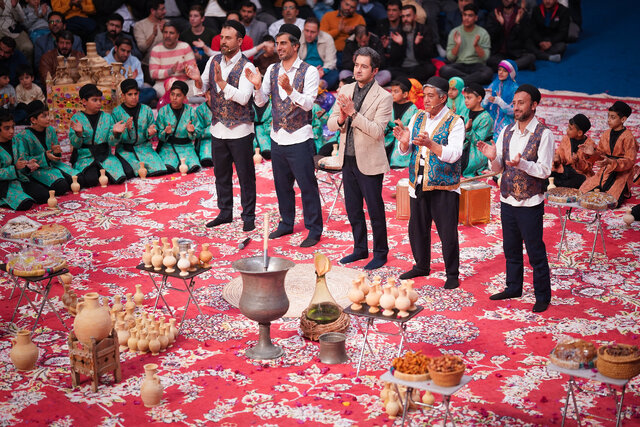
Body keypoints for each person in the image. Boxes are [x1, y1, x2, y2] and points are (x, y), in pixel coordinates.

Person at [479, 84, 553, 313]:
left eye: (521, 103)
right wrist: (493, 159)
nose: (516, 107)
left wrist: (522, 164)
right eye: (514, 103)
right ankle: (513, 287)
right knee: (510, 248)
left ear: (534, 105)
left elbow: (544, 171)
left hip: (530, 203)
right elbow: (499, 168)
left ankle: (542, 295)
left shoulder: (544, 134)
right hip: (508, 200)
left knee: (535, 251)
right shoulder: (506, 131)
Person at [247, 23, 323, 248]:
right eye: (277, 43)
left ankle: (314, 229)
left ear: (296, 45)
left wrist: (290, 90)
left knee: (307, 186)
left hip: (300, 137)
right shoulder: (272, 69)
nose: (278, 48)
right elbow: (261, 102)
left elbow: (309, 105)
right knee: (282, 185)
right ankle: (286, 222)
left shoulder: (309, 71)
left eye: (283, 43)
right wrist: (256, 87)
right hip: (278, 136)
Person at [392, 76, 464, 289]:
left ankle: (452, 273)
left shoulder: (455, 121)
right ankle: (421, 265)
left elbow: (455, 154)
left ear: (443, 98)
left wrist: (431, 144)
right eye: (425, 96)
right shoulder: (417, 117)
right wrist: (404, 143)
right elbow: (406, 150)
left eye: (431, 96)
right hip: (419, 181)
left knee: (447, 232)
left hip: (444, 185)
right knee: (417, 228)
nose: (427, 101)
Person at [327, 47, 391, 269]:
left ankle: (381, 252)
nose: (358, 70)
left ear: (375, 71)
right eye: (356, 65)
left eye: (364, 66)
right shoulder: (346, 89)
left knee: (375, 209)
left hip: (370, 161)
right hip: (348, 158)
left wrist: (353, 113)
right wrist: (342, 118)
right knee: (353, 209)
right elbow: (331, 122)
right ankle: (359, 248)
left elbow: (377, 131)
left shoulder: (384, 97)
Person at [194, 20, 257, 232]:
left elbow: (243, 97)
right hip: (218, 127)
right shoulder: (213, 60)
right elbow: (202, 86)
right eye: (222, 37)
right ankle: (225, 212)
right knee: (221, 174)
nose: (223, 41)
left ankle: (248, 215)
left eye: (228, 38)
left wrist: (222, 84)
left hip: (240, 129)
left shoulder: (247, 66)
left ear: (240, 41)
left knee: (245, 175)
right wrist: (196, 80)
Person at [579, 101, 637, 207]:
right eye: (608, 116)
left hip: (621, 173)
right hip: (605, 171)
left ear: (623, 119)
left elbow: (630, 161)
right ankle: (600, 188)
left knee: (611, 201)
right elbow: (601, 154)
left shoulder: (629, 138)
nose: (609, 120)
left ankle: (619, 191)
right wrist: (592, 153)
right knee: (582, 192)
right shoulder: (606, 134)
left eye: (613, 117)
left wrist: (611, 161)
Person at [70, 84, 127, 188]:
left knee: (119, 178)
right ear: (84, 101)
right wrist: (78, 134)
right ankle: (94, 169)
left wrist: (115, 133)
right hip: (86, 157)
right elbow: (75, 144)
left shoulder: (106, 117)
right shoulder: (77, 118)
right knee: (90, 181)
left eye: (100, 100)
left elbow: (112, 142)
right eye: (94, 100)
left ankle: (101, 168)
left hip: (105, 155)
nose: (99, 103)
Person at [13, 100, 72, 195]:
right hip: (36, 171)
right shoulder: (22, 137)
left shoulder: (51, 130)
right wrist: (45, 157)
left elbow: (56, 156)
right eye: (44, 116)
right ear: (33, 120)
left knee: (79, 180)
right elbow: (24, 162)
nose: (48, 118)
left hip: (53, 166)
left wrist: (56, 153)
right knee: (62, 186)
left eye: (48, 115)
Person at [111, 79, 167, 178]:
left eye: (136, 94)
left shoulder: (147, 110)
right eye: (130, 94)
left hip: (144, 148)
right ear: (123, 96)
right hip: (125, 151)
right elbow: (113, 140)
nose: (134, 97)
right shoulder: (116, 112)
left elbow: (153, 130)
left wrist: (150, 133)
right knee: (129, 173)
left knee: (159, 170)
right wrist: (123, 131)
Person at [0, 112, 47, 210]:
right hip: (3, 185)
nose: (12, 131)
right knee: (25, 204)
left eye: (13, 127)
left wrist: (29, 163)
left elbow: (23, 158)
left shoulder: (16, 141)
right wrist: (14, 168)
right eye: (7, 128)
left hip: (20, 179)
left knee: (44, 195)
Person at [440, 4, 493, 85]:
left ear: (476, 18)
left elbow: (485, 58)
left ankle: (460, 82)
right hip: (460, 65)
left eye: (470, 15)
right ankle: (471, 80)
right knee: (444, 69)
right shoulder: (455, 32)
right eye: (464, 15)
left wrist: (476, 46)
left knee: (488, 72)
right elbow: (450, 58)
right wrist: (457, 45)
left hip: (477, 65)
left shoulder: (483, 33)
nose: (466, 18)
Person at [155, 80, 200, 174]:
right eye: (172, 94)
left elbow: (197, 133)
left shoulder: (191, 111)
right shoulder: (163, 111)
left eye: (178, 95)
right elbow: (158, 133)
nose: (174, 98)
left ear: (184, 97)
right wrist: (165, 133)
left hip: (186, 146)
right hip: (168, 147)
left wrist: (191, 132)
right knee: (168, 167)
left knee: (193, 167)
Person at [387, 4, 437, 84]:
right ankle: (413, 81)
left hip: (419, 66)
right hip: (403, 68)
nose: (405, 19)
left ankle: (406, 81)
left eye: (408, 16)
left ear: (415, 16)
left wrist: (418, 44)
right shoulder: (398, 31)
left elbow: (429, 54)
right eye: (403, 16)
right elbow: (393, 58)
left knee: (430, 68)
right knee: (389, 71)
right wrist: (400, 44)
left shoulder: (424, 30)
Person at [149, 22, 199, 99]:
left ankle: (180, 99)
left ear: (177, 35)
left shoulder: (185, 47)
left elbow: (193, 70)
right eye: (165, 32)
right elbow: (153, 73)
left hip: (183, 83)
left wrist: (185, 70)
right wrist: (170, 71)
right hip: (163, 84)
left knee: (196, 87)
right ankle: (183, 99)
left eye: (171, 33)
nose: (167, 36)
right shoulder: (156, 50)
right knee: (156, 90)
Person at [485, 0, 535, 71]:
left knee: (531, 57)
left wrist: (517, 24)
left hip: (516, 53)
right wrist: (500, 25)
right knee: (489, 60)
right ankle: (514, 67)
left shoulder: (521, 13)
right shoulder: (495, 13)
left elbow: (525, 37)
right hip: (499, 53)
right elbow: (490, 36)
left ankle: (505, 67)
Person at [105, 37, 157, 106]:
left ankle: (125, 105)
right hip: (113, 94)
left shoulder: (135, 61)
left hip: (131, 94)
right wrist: (130, 80)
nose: (126, 54)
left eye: (128, 51)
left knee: (151, 92)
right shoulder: (105, 62)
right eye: (123, 50)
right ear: (116, 48)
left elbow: (140, 83)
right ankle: (128, 105)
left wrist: (132, 82)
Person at [550, 113, 594, 188]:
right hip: (565, 170)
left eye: (570, 129)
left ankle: (560, 186)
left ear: (579, 133)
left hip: (578, 174)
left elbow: (587, 168)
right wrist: (557, 159)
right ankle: (559, 185)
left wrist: (578, 161)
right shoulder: (566, 139)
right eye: (568, 127)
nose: (567, 130)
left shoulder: (590, 145)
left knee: (581, 181)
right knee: (548, 173)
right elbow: (560, 155)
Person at [461, 82, 493, 177]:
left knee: (459, 166)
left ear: (479, 99)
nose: (466, 101)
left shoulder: (486, 118)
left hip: (477, 151)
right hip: (464, 145)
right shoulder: (465, 111)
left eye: (469, 98)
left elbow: (479, 142)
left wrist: (469, 130)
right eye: (465, 98)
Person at [385, 78, 418, 168]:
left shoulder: (413, 109)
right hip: (389, 137)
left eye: (396, 91)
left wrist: (403, 127)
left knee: (398, 154)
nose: (392, 94)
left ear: (405, 94)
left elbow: (415, 128)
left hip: (403, 138)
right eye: (391, 91)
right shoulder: (389, 105)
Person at [299, 17, 338, 90]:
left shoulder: (327, 38)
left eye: (312, 32)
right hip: (304, 70)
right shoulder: (298, 37)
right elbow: (295, 60)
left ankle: (312, 88)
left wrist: (322, 71)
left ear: (318, 32)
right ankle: (317, 88)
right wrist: (309, 71)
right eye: (306, 31)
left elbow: (331, 61)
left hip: (322, 71)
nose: (309, 34)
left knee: (334, 75)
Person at [482, 59, 517, 136]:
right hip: (492, 119)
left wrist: (499, 102)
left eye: (504, 71)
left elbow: (514, 112)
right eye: (499, 70)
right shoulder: (494, 85)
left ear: (511, 73)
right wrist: (486, 97)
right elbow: (482, 107)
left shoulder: (515, 89)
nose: (500, 73)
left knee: (501, 138)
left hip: (506, 121)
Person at [180, 5, 217, 73]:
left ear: (202, 18)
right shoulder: (184, 35)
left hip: (209, 68)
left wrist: (201, 57)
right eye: (190, 16)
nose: (192, 19)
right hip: (190, 69)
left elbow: (216, 55)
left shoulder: (212, 34)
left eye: (196, 16)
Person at [133, 0, 166, 64]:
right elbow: (142, 48)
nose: (165, 12)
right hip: (148, 65)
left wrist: (164, 32)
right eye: (161, 9)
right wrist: (153, 35)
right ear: (153, 11)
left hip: (167, 62)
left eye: (164, 9)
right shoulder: (140, 25)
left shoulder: (167, 23)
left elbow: (175, 45)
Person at [194, 92, 213, 167]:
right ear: (206, 96)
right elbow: (198, 132)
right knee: (207, 160)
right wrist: (213, 129)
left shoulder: (224, 107)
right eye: (210, 94)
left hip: (224, 138)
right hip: (207, 139)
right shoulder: (200, 110)